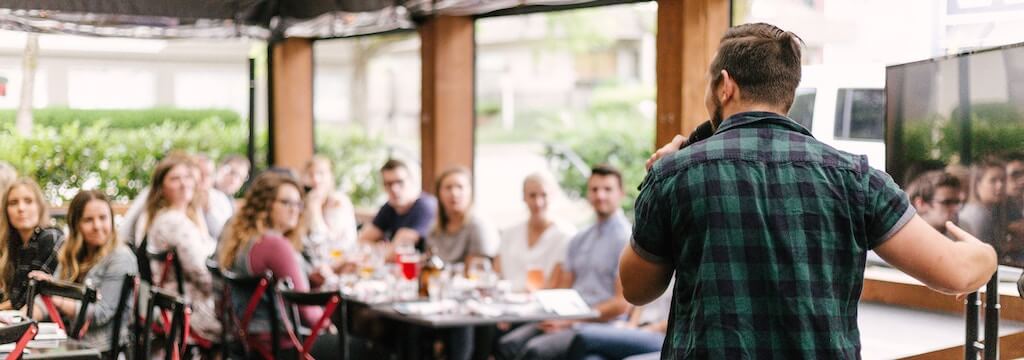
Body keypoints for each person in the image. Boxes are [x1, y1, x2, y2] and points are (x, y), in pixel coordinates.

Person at [622, 22, 997, 358]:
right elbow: (958, 274)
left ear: (725, 85)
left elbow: (637, 288)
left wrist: (658, 177)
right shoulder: (856, 177)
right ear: (787, 91)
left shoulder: (675, 172)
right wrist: (985, 253)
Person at [498, 165, 631, 360]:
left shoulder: (627, 240)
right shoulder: (580, 238)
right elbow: (565, 287)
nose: (600, 195)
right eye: (594, 189)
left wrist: (571, 320)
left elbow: (621, 304)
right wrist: (555, 315)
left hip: (598, 326)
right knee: (508, 344)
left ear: (621, 193)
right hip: (567, 319)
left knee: (535, 351)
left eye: (607, 189)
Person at [218, 172, 334, 359]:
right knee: (372, 348)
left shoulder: (243, 240)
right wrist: (331, 326)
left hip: (249, 343)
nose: (295, 209)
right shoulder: (274, 244)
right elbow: (307, 312)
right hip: (282, 347)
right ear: (265, 204)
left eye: (298, 204)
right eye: (286, 202)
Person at [28, 190, 137, 353]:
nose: (97, 226)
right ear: (76, 224)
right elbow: (47, 300)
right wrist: (18, 320)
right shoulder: (73, 253)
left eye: (103, 218)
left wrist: (56, 296)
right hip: (71, 344)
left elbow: (101, 314)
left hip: (102, 350)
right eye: (88, 220)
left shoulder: (121, 257)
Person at [137, 154, 221, 341]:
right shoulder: (173, 222)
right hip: (189, 312)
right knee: (249, 325)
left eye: (187, 177)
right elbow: (202, 273)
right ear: (161, 188)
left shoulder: (175, 217)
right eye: (175, 179)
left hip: (177, 307)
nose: (184, 184)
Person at [495, 172, 576, 291]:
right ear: (524, 197)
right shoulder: (509, 233)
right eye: (532, 195)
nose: (538, 203)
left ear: (553, 196)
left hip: (541, 303)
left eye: (544, 195)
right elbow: (496, 273)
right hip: (504, 301)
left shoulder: (565, 235)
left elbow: (555, 284)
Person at [0, 178, 64, 311]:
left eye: (28, 201)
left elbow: (25, 299)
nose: (21, 208)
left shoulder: (50, 237)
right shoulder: (12, 245)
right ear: (6, 210)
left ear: (39, 207)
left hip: (43, 325)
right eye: (13, 203)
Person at [567, 281, 673, 360]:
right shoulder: (658, 269)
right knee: (592, 358)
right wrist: (632, 325)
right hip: (639, 330)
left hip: (662, 336)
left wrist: (647, 329)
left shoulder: (682, 277)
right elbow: (641, 305)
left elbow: (679, 320)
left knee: (584, 337)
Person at [426, 167, 500, 264]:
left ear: (470, 191)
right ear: (438, 193)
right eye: (448, 188)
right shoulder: (433, 229)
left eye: (460, 187)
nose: (454, 193)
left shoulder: (479, 225)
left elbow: (480, 268)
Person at [359, 159, 437, 248]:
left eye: (400, 182)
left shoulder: (425, 206)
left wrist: (381, 248)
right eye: (388, 184)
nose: (394, 189)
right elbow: (361, 242)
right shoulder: (389, 207)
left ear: (412, 181)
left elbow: (398, 250)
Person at [301, 155, 358, 265]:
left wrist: (315, 209)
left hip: (341, 263)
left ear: (330, 176)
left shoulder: (339, 202)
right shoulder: (306, 202)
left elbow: (326, 245)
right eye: (310, 174)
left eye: (321, 173)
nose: (315, 179)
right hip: (316, 263)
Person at [959, 158, 1007, 247]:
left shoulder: (991, 211)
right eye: (993, 180)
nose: (1000, 186)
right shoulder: (976, 215)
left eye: (1003, 180)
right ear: (978, 184)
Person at [195, 154, 234, 240]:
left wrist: (208, 210)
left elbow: (224, 234)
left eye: (208, 174)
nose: (204, 178)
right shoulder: (183, 199)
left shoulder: (221, 198)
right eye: (200, 173)